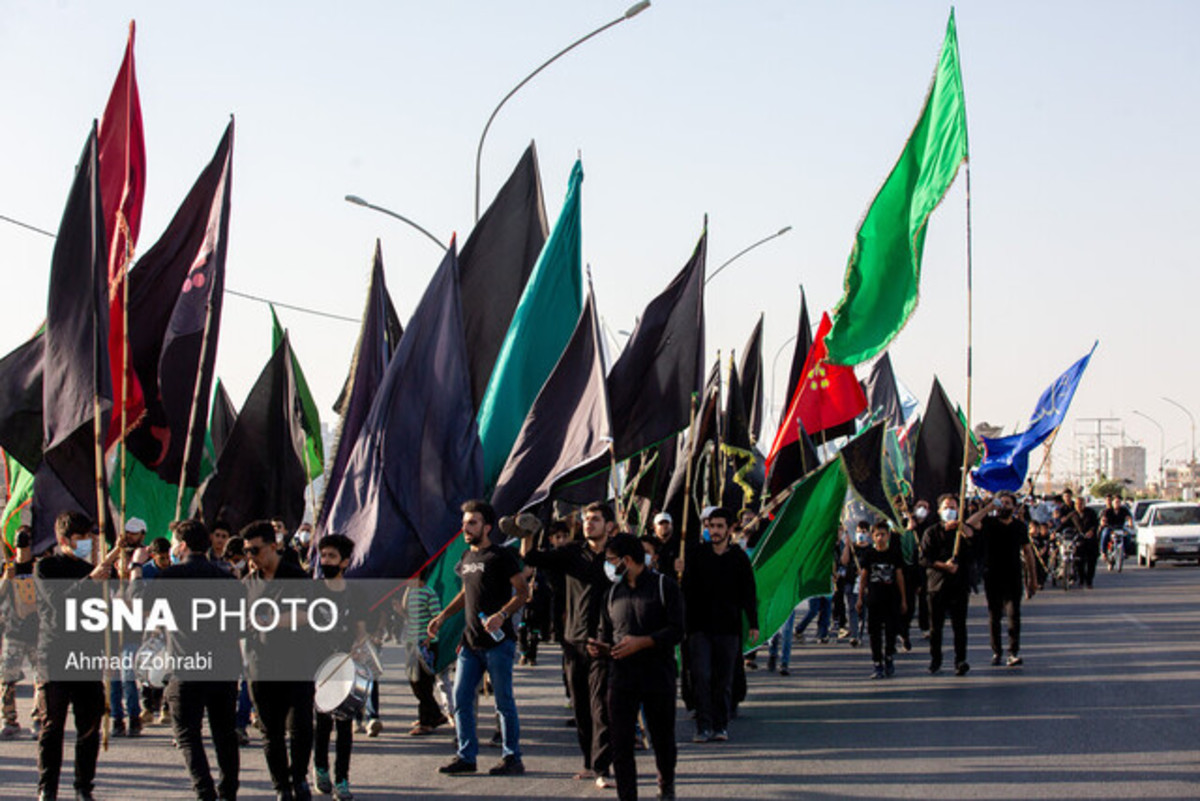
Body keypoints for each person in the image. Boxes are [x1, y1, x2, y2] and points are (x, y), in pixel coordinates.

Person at [428, 500, 528, 777]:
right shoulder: (466, 558)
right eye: (464, 523)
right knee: (460, 699)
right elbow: (465, 594)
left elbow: (523, 593)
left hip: (499, 643)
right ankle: (466, 756)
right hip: (470, 644)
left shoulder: (502, 556)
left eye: (472, 523)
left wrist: (502, 615)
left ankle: (512, 758)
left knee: (503, 702)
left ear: (487, 526)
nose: (466, 528)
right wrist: (443, 616)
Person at [35, 511, 130, 801]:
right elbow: (59, 604)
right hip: (55, 655)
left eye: (90, 537)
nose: (87, 542)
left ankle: (83, 786)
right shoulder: (47, 567)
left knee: (88, 726)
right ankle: (47, 787)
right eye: (81, 538)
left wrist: (116, 573)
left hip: (88, 656)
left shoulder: (97, 571)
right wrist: (92, 578)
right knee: (53, 726)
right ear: (64, 540)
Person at [520, 502, 615, 786]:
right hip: (574, 641)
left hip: (605, 643)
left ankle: (602, 769)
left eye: (595, 519)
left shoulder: (617, 553)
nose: (589, 524)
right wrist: (527, 532)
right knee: (581, 706)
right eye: (587, 519)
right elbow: (532, 557)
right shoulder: (571, 553)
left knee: (601, 708)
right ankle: (588, 761)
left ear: (609, 525)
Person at [588, 533, 683, 801]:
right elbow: (605, 632)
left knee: (663, 738)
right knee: (620, 743)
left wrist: (644, 642)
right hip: (620, 678)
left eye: (611, 560)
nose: (608, 566)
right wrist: (598, 647)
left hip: (657, 676)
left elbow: (678, 631)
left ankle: (666, 783)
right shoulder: (612, 593)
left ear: (627, 560)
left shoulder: (665, 587)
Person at [152, 519, 242, 801]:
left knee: (188, 734)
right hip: (223, 666)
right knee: (225, 734)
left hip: (185, 665)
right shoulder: (228, 580)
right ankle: (228, 791)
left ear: (182, 545)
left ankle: (205, 791)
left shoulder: (168, 578)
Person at [243, 520, 317, 801]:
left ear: (273, 546)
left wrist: (269, 620)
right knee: (270, 733)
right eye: (247, 551)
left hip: (297, 664)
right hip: (260, 667)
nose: (251, 556)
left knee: (301, 728)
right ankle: (281, 786)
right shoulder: (247, 584)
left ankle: (299, 778)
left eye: (255, 550)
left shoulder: (297, 577)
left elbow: (308, 615)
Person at [681, 507, 758, 743]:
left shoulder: (738, 558)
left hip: (728, 628)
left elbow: (748, 592)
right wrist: (678, 572)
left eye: (719, 527)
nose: (714, 531)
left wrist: (753, 623)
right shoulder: (695, 554)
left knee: (723, 679)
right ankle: (703, 726)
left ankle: (720, 725)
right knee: (701, 676)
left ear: (729, 528)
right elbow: (685, 591)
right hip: (699, 627)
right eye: (710, 526)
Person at [311, 533, 368, 801]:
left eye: (332, 556)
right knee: (322, 724)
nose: (326, 561)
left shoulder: (353, 593)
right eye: (323, 556)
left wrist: (359, 644)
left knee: (344, 725)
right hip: (317, 666)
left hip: (345, 666)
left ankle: (342, 779)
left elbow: (360, 630)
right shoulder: (312, 590)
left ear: (344, 562)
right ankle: (320, 767)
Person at [966, 492, 1036, 667]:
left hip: (1013, 576)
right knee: (994, 616)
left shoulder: (1020, 526)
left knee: (1014, 615)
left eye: (1008, 503)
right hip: (992, 575)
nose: (1004, 506)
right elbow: (970, 523)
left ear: (1014, 507)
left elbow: (1028, 553)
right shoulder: (989, 523)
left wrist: (1032, 579)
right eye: (1001, 502)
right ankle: (996, 651)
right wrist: (989, 508)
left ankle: (1013, 652)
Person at [920, 494, 975, 676]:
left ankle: (961, 660)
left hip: (959, 586)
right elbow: (924, 559)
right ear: (939, 511)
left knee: (959, 626)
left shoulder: (963, 532)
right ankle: (935, 659)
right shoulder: (931, 532)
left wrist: (965, 531)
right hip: (937, 586)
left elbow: (976, 551)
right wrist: (944, 566)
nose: (950, 511)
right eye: (946, 507)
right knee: (936, 627)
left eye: (953, 507)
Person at [108, 516, 146, 738]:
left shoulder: (141, 564)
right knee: (113, 679)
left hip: (131, 631)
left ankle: (134, 716)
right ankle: (116, 718)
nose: (130, 536)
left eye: (134, 532)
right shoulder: (112, 573)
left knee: (128, 676)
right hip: (112, 632)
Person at [399, 569, 448, 737]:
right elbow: (408, 615)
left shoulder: (429, 593)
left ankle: (427, 722)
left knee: (423, 684)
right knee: (414, 681)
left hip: (425, 645)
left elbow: (437, 618)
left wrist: (429, 639)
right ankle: (434, 714)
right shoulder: (410, 593)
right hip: (412, 643)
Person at [1, 526, 39, 739]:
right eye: (20, 545)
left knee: (40, 678)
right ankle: (9, 719)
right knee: (7, 678)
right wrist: (6, 579)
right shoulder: (7, 566)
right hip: (13, 631)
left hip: (37, 631)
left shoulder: (39, 567)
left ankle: (38, 718)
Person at [857, 522, 907, 679]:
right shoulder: (869, 555)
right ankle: (877, 662)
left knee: (891, 631)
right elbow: (864, 577)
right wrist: (859, 598)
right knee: (874, 633)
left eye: (883, 534)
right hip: (874, 600)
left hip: (891, 599)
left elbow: (899, 577)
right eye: (877, 535)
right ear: (873, 537)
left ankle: (889, 657)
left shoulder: (894, 554)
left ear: (888, 536)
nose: (880, 538)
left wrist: (904, 599)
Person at [1099, 495, 1132, 569]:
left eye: (1119, 502)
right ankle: (1103, 552)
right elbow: (1103, 519)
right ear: (1112, 502)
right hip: (1110, 528)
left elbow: (1129, 518)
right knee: (1105, 534)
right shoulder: (1108, 510)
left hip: (1121, 528)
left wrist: (1130, 524)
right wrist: (1103, 523)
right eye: (1116, 502)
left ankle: (1126, 552)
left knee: (1128, 535)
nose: (1117, 503)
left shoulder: (1124, 510)